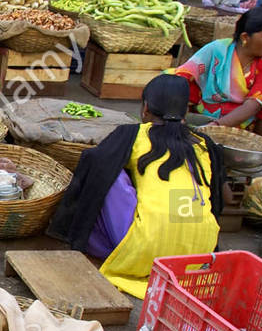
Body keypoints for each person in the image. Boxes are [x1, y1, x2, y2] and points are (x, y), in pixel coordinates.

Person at [48, 74, 227, 299]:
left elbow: (94, 168)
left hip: (144, 252)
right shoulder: (204, 144)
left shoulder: (132, 134)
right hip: (197, 255)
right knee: (181, 195)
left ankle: (117, 248)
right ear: (185, 112)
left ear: (145, 108)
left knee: (108, 172)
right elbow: (220, 198)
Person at [173, 7, 262, 142]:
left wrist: (215, 127)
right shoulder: (218, 49)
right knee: (173, 80)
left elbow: (254, 104)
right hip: (204, 111)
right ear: (245, 37)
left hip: (246, 121)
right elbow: (184, 74)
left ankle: (255, 145)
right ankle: (175, 127)